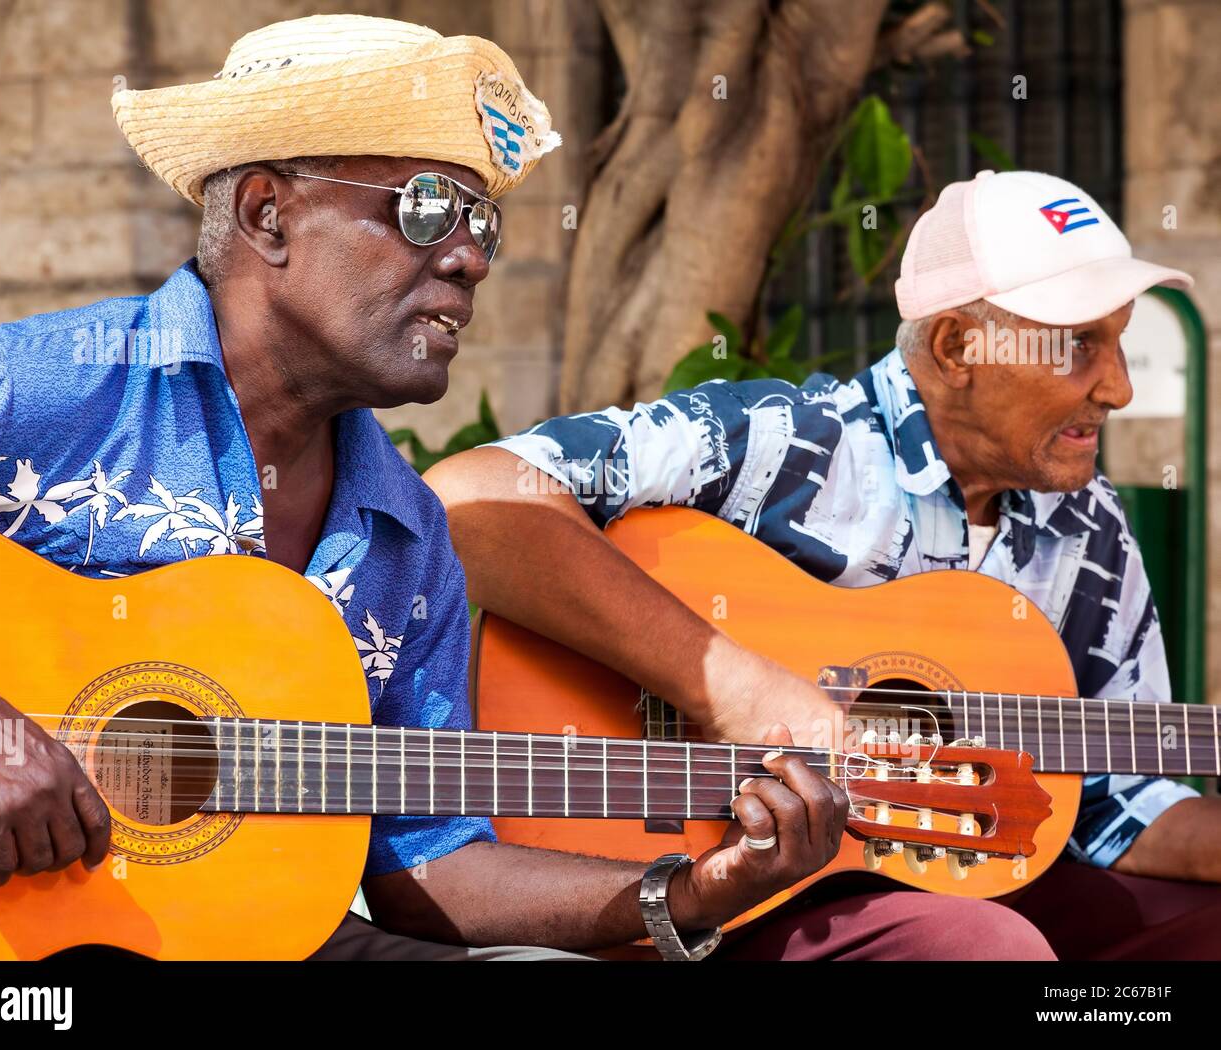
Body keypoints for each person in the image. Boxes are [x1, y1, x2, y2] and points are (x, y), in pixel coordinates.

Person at [0, 14, 849, 962]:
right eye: (424, 208)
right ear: (266, 216)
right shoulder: (62, 385)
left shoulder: (406, 536)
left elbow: (431, 868)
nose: (472, 257)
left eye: (482, 221)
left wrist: (687, 893)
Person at [428, 169, 1221, 959]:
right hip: (731, 888)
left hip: (948, 885)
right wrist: (729, 686)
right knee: (984, 949)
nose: (1115, 386)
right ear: (956, 347)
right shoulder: (792, 444)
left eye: (1120, 340)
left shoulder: (1088, 523)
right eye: (1081, 345)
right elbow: (470, 497)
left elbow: (1121, 795)